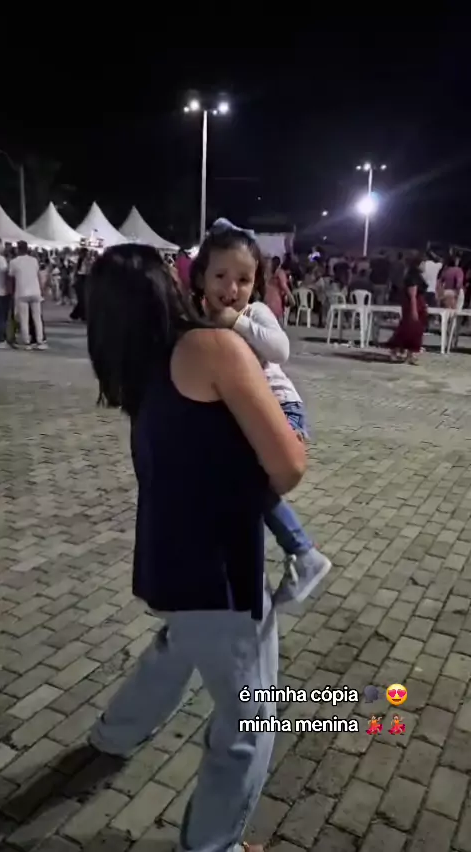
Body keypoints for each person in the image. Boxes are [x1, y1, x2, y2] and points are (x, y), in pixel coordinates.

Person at [86, 243, 306, 852]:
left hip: (168, 556)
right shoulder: (211, 348)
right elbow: (288, 466)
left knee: (178, 647)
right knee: (251, 718)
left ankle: (114, 734)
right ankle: (212, 844)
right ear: (164, 288)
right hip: (219, 568)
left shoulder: (140, 366)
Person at [191, 220, 331, 603]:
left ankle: (302, 552)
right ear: (201, 277)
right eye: (221, 276)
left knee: (250, 483)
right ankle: (297, 555)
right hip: (246, 413)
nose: (232, 289)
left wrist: (237, 322)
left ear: (256, 283)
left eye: (244, 279)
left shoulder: (254, 313)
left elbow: (280, 350)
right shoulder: (198, 319)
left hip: (281, 407)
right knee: (243, 485)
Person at [388, 254, 428, 365]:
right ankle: (395, 350)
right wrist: (414, 310)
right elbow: (412, 295)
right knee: (408, 329)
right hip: (413, 305)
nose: (425, 266)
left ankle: (411, 354)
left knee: (415, 331)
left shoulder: (418, 276)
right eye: (423, 264)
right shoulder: (412, 277)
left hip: (419, 304)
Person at [8, 241, 47, 350]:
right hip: (35, 291)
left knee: (24, 318)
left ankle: (26, 342)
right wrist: (42, 289)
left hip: (21, 292)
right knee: (37, 318)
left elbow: (11, 278)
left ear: (17, 249)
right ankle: (40, 341)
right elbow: (38, 275)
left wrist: (11, 292)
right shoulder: (34, 260)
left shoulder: (13, 262)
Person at [264, 256, 295, 324]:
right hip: (276, 302)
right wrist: (292, 299)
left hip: (266, 301)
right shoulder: (280, 273)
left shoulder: (267, 274)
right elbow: (284, 286)